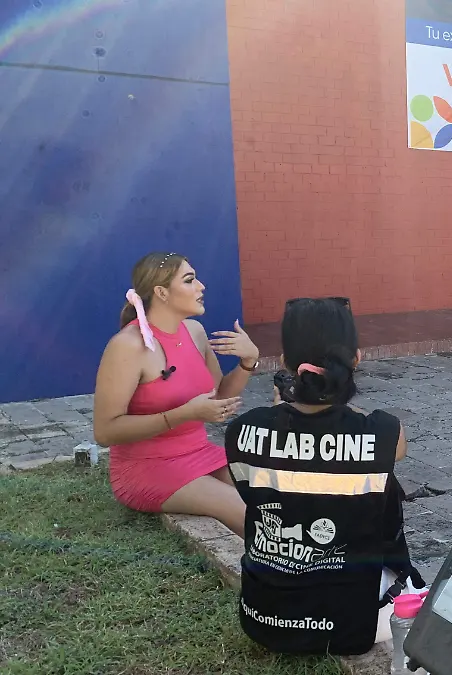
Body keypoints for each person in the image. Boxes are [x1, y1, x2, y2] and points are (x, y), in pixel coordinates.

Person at [225, 297, 426, 655]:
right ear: (356, 359)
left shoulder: (242, 430)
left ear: (285, 363)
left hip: (262, 617)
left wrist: (283, 411)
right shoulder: (383, 432)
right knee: (385, 485)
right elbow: (369, 441)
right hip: (351, 627)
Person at [93, 252, 259, 537]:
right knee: (244, 510)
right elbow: (105, 432)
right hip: (145, 467)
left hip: (200, 452)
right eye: (190, 280)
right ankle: (286, 576)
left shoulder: (195, 332)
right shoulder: (128, 346)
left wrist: (248, 362)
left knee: (272, 493)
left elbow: (217, 399)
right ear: (161, 293)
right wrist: (184, 414)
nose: (201, 286)